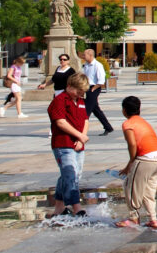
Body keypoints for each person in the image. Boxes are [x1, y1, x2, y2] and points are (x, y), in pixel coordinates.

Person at [114, 96, 157, 229]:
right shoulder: (143, 121)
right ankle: (153, 219)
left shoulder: (128, 124)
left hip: (146, 158)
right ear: (139, 109)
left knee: (130, 187)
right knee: (149, 191)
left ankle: (133, 218)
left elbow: (132, 144)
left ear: (124, 110)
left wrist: (130, 163)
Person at [47, 73, 90, 219]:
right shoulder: (60, 100)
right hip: (63, 144)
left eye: (83, 92)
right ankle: (76, 207)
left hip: (78, 144)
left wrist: (81, 139)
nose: (81, 94)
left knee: (71, 174)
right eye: (79, 91)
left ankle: (59, 208)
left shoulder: (80, 101)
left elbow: (85, 120)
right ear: (70, 86)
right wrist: (79, 136)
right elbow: (60, 122)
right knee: (70, 174)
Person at [81, 49, 114, 135]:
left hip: (94, 88)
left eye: (85, 55)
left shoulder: (97, 65)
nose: (83, 57)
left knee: (87, 109)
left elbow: (101, 80)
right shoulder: (86, 65)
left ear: (90, 55)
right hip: (87, 87)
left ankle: (81, 128)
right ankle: (108, 127)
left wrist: (93, 88)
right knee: (96, 109)